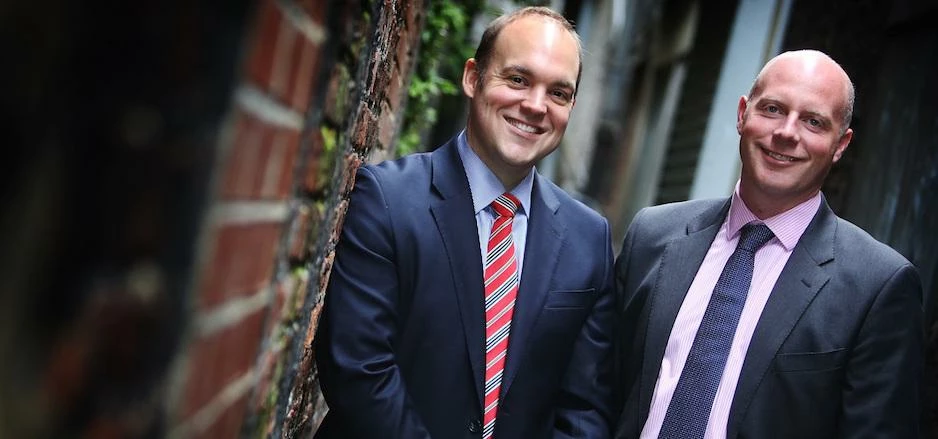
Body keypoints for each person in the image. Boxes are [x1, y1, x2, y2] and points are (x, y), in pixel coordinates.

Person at [314, 7, 615, 439]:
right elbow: (359, 370)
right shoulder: (387, 200)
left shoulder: (591, 238)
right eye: (517, 79)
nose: (535, 105)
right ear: (473, 78)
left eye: (559, 93)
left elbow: (585, 409)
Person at [613, 49, 923, 438]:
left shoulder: (878, 287)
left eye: (813, 121)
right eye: (773, 109)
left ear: (840, 144)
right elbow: (601, 392)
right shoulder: (652, 236)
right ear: (743, 113)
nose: (787, 133)